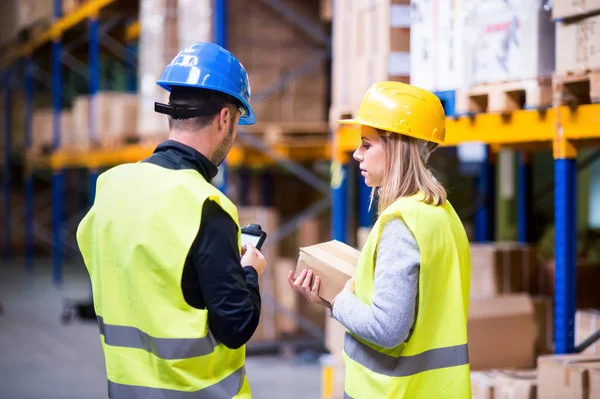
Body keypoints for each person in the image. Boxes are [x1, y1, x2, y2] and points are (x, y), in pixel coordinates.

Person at [76, 42, 266, 398]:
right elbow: (237, 325)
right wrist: (250, 271)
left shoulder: (110, 187)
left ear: (173, 113)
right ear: (225, 118)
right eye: (237, 121)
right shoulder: (206, 205)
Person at [290, 81, 472, 398]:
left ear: (396, 146)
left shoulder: (402, 223)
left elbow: (387, 329)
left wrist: (336, 299)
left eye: (367, 144)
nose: (357, 154)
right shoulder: (442, 214)